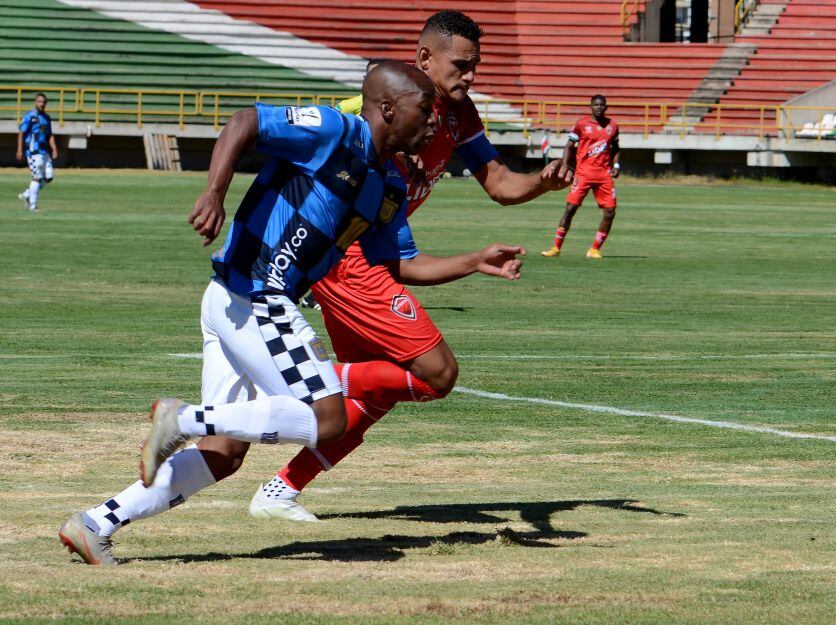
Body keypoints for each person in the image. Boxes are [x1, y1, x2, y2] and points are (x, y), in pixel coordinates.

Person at [57, 62, 525, 565]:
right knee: (328, 420)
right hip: (258, 296)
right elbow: (244, 122)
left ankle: (93, 524)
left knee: (224, 454)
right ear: (388, 109)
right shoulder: (333, 130)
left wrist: (474, 261)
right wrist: (214, 191)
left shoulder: (387, 185)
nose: (435, 123)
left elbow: (400, 264)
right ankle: (184, 418)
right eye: (425, 110)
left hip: (233, 302)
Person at [246, 10, 572, 522]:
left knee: (377, 395)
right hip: (348, 257)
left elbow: (501, 183)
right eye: (461, 65)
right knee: (434, 373)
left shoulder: (460, 116)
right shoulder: (385, 108)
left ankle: (281, 490)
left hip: (371, 256)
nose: (470, 77)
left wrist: (544, 183)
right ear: (424, 58)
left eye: (476, 66)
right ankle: (303, 376)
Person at [541, 94, 620, 259]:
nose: (599, 107)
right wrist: (565, 164)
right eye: (596, 105)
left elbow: (615, 147)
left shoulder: (612, 125)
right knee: (570, 209)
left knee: (610, 212)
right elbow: (569, 145)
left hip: (604, 175)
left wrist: (616, 164)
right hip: (583, 174)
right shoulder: (582, 124)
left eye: (602, 105)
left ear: (606, 107)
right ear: (590, 107)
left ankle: (594, 249)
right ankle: (556, 248)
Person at [16, 92, 58, 212]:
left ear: (46, 104)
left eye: (44, 102)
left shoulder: (46, 117)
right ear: (35, 102)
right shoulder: (30, 115)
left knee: (49, 177)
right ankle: (32, 206)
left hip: (44, 151)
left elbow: (49, 135)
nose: (42, 104)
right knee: (37, 178)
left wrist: (54, 149)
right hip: (33, 151)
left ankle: (26, 194)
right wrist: (19, 149)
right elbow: (21, 132)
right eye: (39, 101)